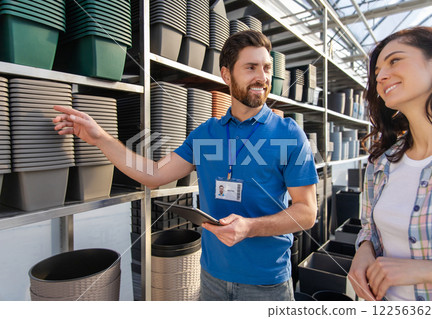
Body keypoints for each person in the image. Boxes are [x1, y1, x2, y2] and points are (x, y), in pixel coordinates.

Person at [53, 30, 318, 301]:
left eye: (266, 68)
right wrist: (101, 139)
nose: (262, 77)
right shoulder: (206, 134)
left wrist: (250, 227)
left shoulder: (288, 134)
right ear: (226, 75)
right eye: (251, 67)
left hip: (267, 285)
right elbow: (154, 174)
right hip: (212, 280)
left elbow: (307, 212)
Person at [348, 26, 432, 301]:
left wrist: (428, 271)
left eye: (395, 61)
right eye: (377, 70)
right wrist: (363, 251)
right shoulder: (381, 164)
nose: (380, 76)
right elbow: (369, 228)